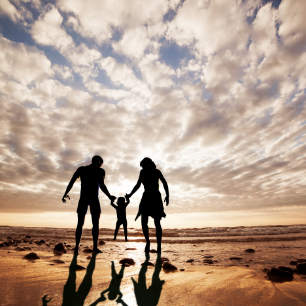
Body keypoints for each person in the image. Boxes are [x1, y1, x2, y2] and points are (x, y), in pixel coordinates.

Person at [62, 155, 116, 253]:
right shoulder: (100, 171)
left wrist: (65, 193)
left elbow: (72, 181)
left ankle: (77, 248)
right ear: (99, 162)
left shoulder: (82, 169)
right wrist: (109, 196)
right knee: (95, 224)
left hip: (84, 198)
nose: (100, 166)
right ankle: (94, 248)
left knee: (80, 224)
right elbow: (102, 185)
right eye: (101, 164)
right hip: (93, 199)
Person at [126, 157, 169, 253]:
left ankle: (159, 246)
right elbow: (138, 185)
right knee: (144, 222)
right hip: (146, 197)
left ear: (149, 164)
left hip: (155, 197)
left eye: (144, 165)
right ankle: (148, 242)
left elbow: (165, 183)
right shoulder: (143, 172)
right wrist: (130, 194)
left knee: (157, 222)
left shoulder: (157, 171)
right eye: (143, 166)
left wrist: (167, 195)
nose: (144, 167)